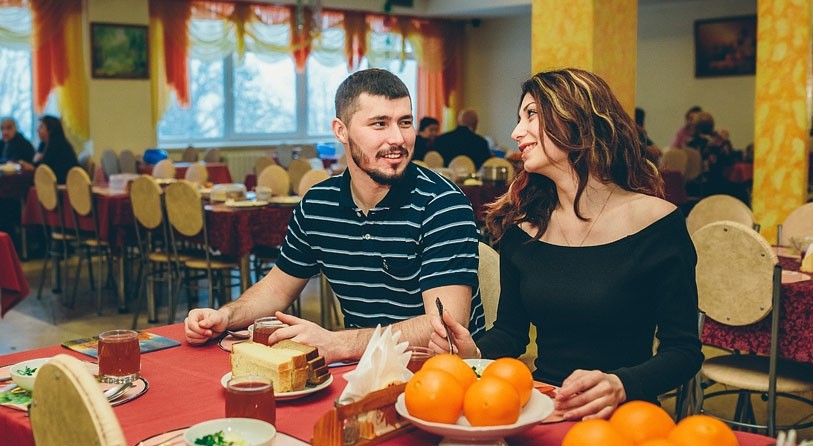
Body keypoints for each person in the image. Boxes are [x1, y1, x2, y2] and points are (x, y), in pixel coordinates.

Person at [429, 68, 702, 421]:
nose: (516, 132)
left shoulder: (658, 223)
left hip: (624, 417)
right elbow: (511, 334)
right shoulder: (522, 230)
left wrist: (621, 384)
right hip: (545, 409)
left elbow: (683, 350)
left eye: (531, 115)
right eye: (519, 118)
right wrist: (475, 352)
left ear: (577, 120)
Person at [185, 68, 486, 363]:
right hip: (360, 367)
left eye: (405, 122)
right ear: (341, 131)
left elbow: (445, 327)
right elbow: (276, 288)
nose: (398, 138)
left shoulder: (443, 204)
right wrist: (225, 316)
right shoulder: (318, 204)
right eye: (379, 124)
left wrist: (339, 343)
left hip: (440, 373)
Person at [687, 111, 738, 199]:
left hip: (700, 184)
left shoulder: (693, 143)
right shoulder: (722, 141)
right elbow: (731, 159)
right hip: (722, 182)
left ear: (696, 127)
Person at [30, 115, 79, 184]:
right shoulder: (43, 144)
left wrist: (33, 164)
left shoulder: (58, 144)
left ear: (50, 130)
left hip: (64, 183)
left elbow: (44, 169)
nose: (37, 130)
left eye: (41, 127)